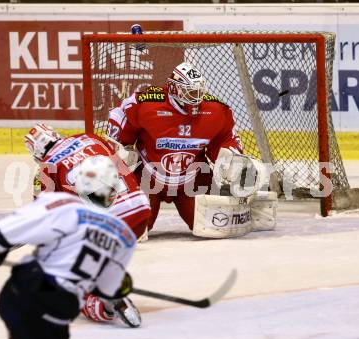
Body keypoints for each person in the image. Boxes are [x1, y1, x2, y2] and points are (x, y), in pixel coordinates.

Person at [0, 156, 137, 339]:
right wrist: (119, 287)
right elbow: (107, 289)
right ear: (113, 191)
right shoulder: (124, 235)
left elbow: (9, 229)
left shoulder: (62, 203)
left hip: (20, 291)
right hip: (58, 307)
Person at [106, 62, 270, 236]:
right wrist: (119, 147)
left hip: (192, 181)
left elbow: (225, 139)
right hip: (148, 178)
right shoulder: (147, 104)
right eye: (191, 91)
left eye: (199, 91)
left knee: (214, 226)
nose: (196, 96)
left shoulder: (216, 111)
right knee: (134, 230)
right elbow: (118, 115)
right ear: (174, 89)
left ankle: (252, 206)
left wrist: (231, 158)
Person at [24, 123, 149, 327]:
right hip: (140, 210)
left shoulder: (46, 168)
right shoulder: (89, 137)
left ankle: (106, 302)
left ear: (36, 151)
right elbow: (126, 156)